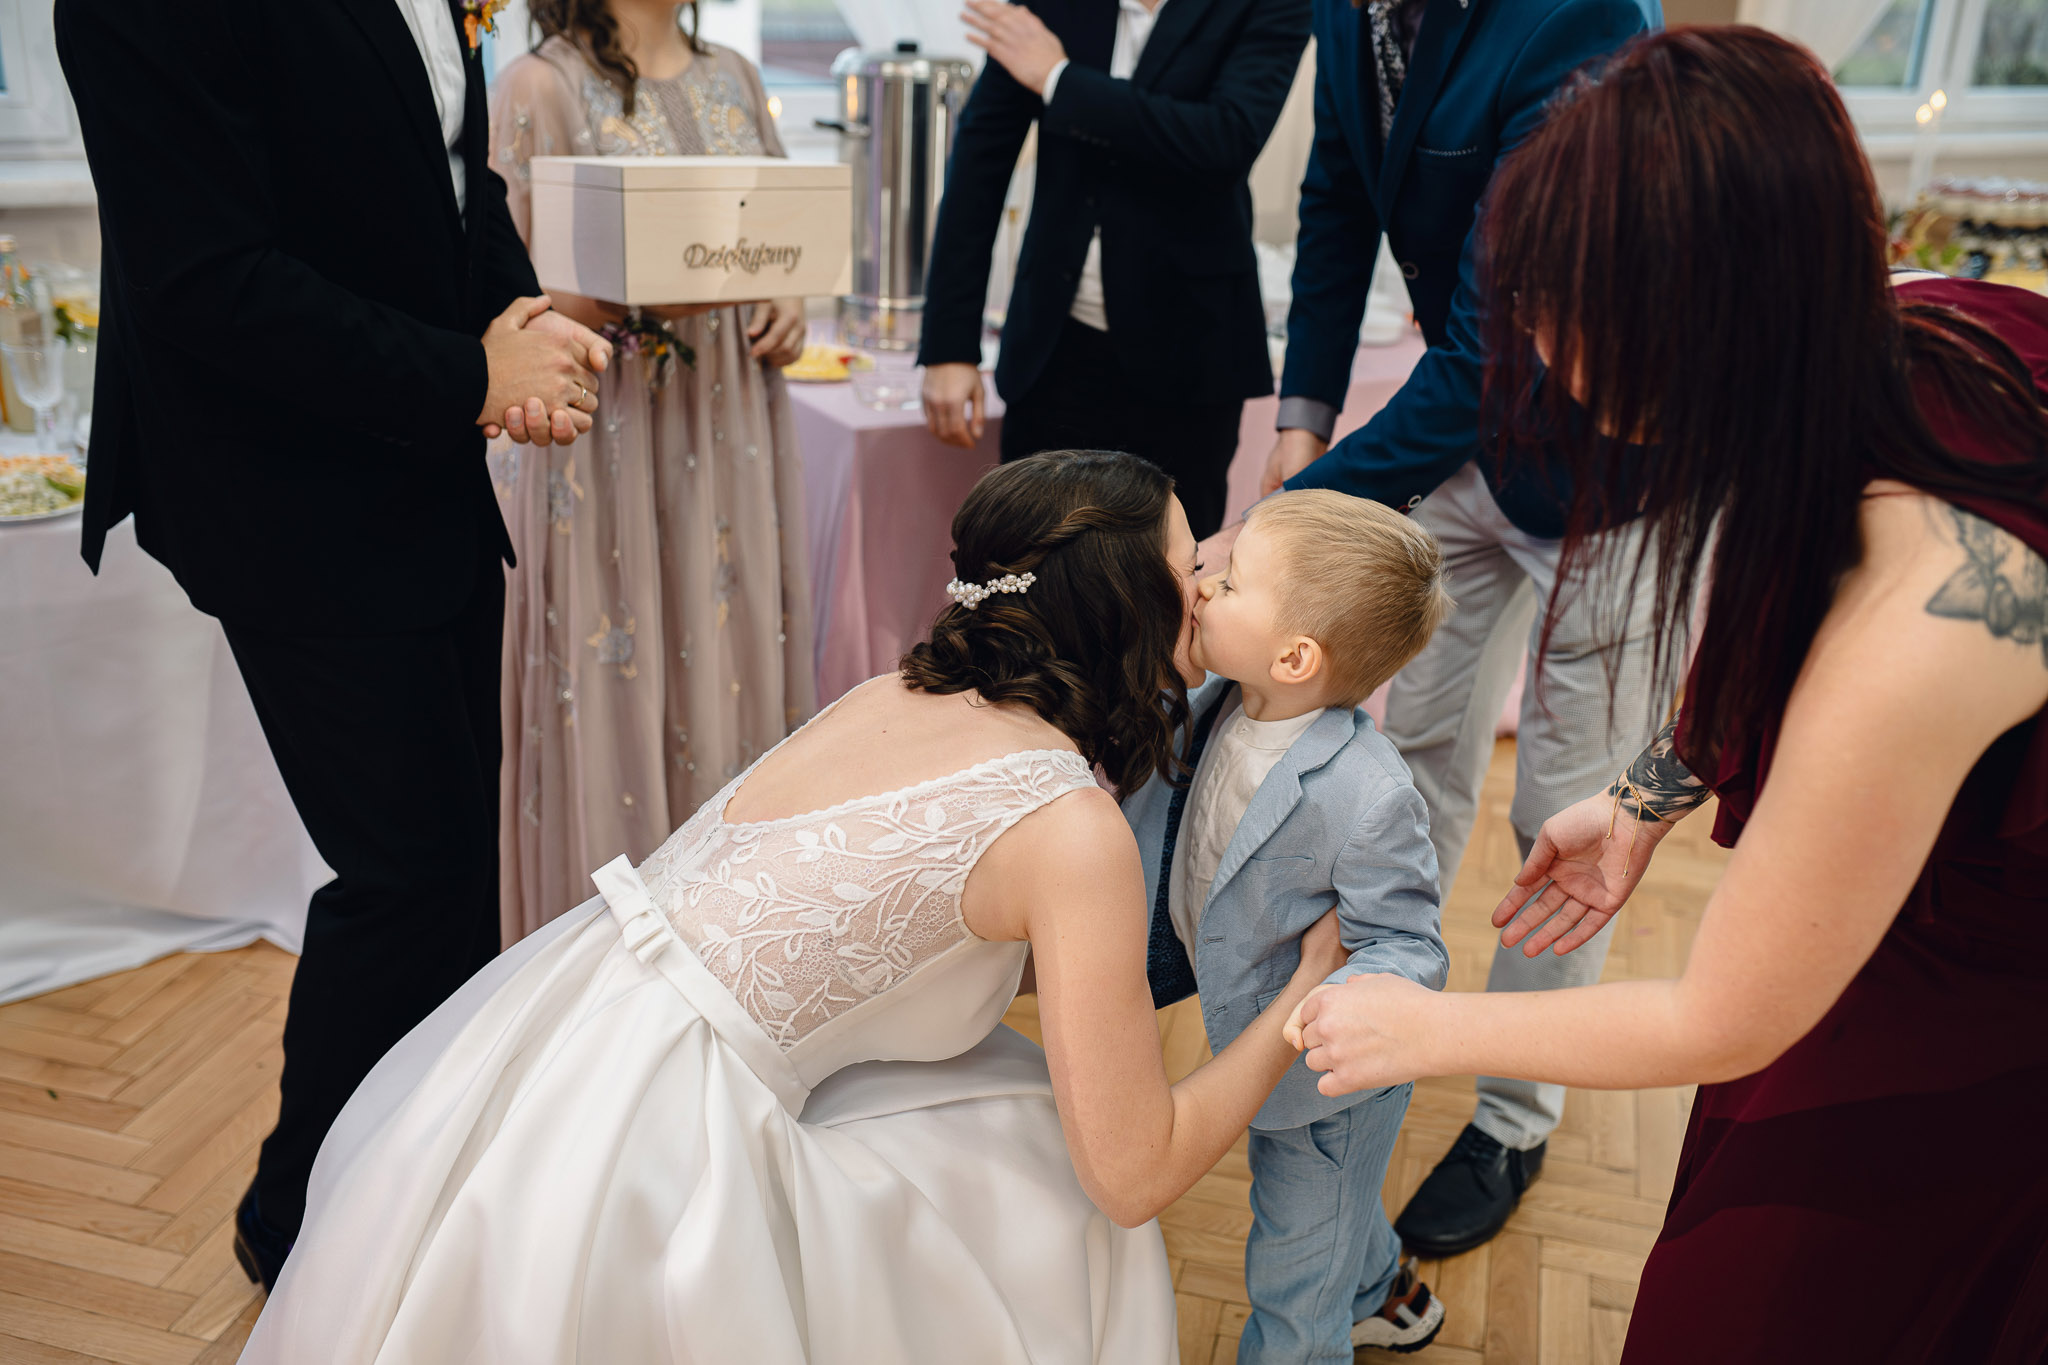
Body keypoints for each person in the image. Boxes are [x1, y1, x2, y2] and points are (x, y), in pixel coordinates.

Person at [239, 450, 1350, 1364]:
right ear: (1120, 603)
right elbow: (1135, 1173)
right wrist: (1298, 998)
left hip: (567, 1024)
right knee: (1057, 1175)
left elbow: (910, 931)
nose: (1207, 580)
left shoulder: (895, 690)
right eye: (1188, 562)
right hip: (652, 1138)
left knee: (1015, 1099)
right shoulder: (1067, 826)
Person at [1289, 28, 2048, 1363]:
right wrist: (1647, 795)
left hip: (1969, 1012)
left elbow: (1722, 1015)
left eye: (1558, 302)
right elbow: (1783, 612)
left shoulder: (1924, 620)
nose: (1533, 341)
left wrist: (1423, 1027)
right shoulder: (1894, 328)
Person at [54, 0, 614, 1289]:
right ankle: (298, 1223)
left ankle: (412, 1182)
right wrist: (466, 376)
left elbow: (449, 173)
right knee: (405, 875)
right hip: (283, 492)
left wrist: (517, 316)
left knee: (455, 871)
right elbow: (206, 282)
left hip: (418, 475)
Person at [1255, 0, 1664, 1256]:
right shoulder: (1343, 8)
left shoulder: (1582, 17)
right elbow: (1337, 195)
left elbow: (1501, 333)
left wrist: (1283, 525)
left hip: (1613, 465)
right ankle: (1384, 1014)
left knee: (1563, 810)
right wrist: (1301, 421)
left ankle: (1512, 1116)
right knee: (1410, 757)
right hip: (1466, 452)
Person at [487, 0, 816, 945]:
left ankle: (741, 945)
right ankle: (604, 965)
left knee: (733, 654)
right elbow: (504, 292)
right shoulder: (540, 85)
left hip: (731, 426)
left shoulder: (734, 77)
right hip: (607, 437)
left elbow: (781, 232)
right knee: (619, 670)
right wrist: (634, 285)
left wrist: (787, 298)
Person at [1127, 490, 1453, 1360]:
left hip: (1323, 1087)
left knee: (1295, 1287)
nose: (1203, 586)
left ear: (1295, 656)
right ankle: (1382, 1290)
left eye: (1229, 582)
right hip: (1244, 1032)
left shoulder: (1369, 794)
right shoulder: (1222, 700)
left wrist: (1331, 1002)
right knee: (1332, 1215)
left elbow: (1410, 946)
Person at [916, 0, 1311, 540]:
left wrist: (1058, 79)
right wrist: (949, 345)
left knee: (1168, 570)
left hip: (1190, 356)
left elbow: (1225, 139)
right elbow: (979, 166)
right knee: (1031, 561)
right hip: (1054, 347)